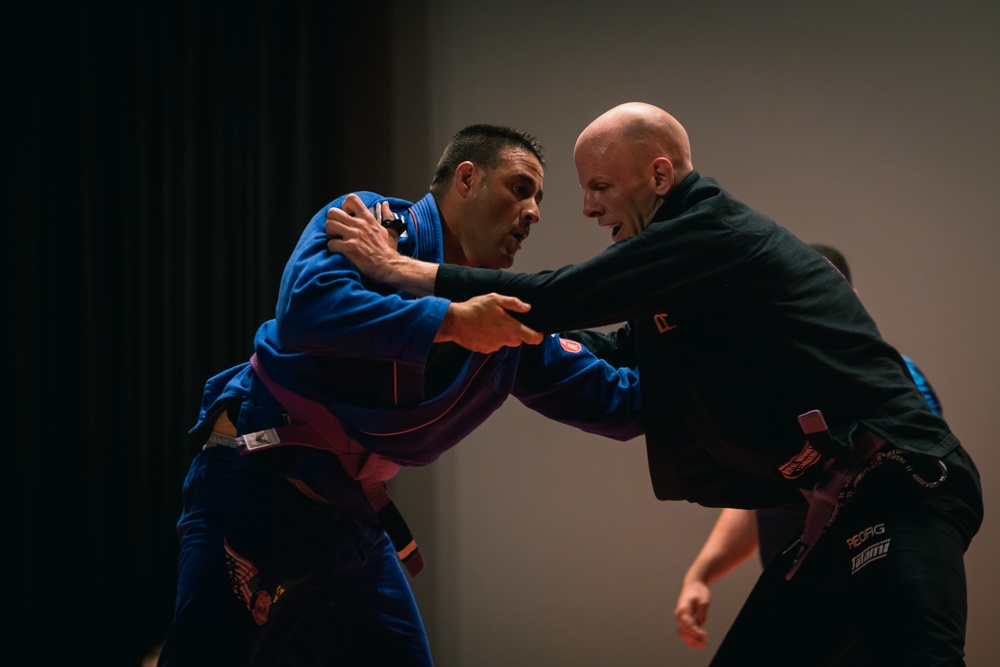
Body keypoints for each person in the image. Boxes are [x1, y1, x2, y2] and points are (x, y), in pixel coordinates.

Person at [326, 102, 983, 665]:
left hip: (907, 488)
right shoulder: (681, 294)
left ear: (659, 175)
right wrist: (500, 339)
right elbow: (608, 348)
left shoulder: (706, 231)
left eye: (601, 187)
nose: (586, 207)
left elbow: (564, 295)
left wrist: (403, 271)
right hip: (839, 512)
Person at [157, 124, 643, 667]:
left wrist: (716, 378)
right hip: (258, 486)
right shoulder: (371, 223)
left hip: (351, 521)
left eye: (538, 199)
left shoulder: (498, 319)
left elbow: (617, 402)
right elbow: (307, 309)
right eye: (520, 187)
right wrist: (450, 321)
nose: (533, 211)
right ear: (466, 178)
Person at [673, 243, 946, 652]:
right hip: (803, 604)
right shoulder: (773, 391)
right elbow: (768, 494)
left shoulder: (895, 382)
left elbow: (917, 499)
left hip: (873, 601)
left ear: (846, 302)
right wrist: (701, 573)